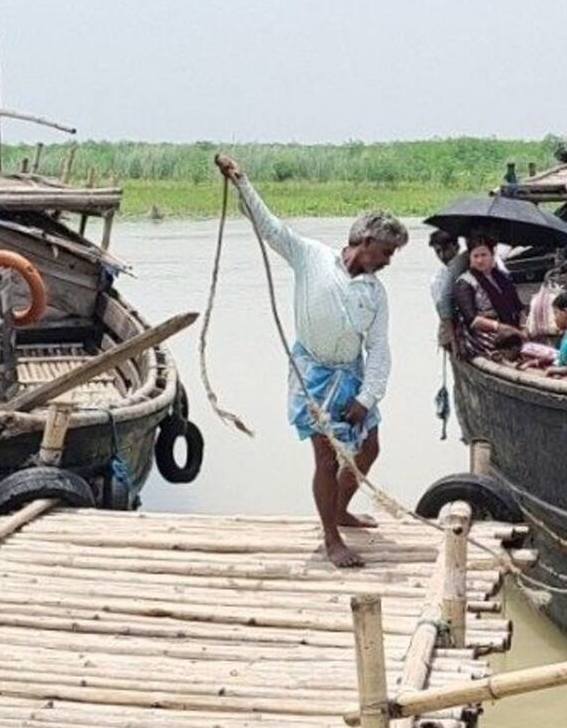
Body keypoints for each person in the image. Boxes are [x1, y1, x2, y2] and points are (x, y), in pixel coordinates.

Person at [215, 154, 407, 568]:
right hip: (313, 374)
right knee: (325, 457)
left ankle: (339, 507)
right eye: (387, 251)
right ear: (366, 242)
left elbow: (379, 348)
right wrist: (242, 181)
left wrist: (368, 397)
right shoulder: (311, 257)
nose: (390, 260)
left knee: (368, 448)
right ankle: (331, 537)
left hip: (351, 375)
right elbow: (270, 228)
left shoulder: (375, 293)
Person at [450, 236, 524, 360]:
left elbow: (518, 306)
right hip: (482, 332)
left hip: (509, 326)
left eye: (484, 255)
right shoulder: (465, 283)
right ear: (470, 257)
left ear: (492, 254)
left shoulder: (502, 277)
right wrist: (500, 327)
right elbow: (472, 320)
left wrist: (522, 326)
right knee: (512, 345)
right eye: (476, 256)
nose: (480, 260)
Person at [427, 229, 465, 349]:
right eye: (438, 251)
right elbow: (443, 311)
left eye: (446, 249)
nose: (442, 255)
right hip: (453, 329)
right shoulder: (438, 280)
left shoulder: (472, 262)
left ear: (456, 247)